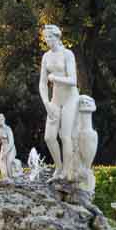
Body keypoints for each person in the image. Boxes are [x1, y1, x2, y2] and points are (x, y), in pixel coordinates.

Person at [39, 24, 80, 180]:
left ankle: (66, 172)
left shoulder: (67, 54)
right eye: (45, 38)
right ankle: (59, 167)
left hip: (70, 98)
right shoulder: (46, 57)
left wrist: (55, 78)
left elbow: (73, 80)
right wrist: (46, 103)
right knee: (49, 137)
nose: (47, 40)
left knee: (65, 136)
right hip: (55, 99)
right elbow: (42, 83)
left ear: (57, 37)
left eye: (49, 37)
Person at [0, 114, 19, 180]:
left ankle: (13, 179)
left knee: (9, 164)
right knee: (2, 165)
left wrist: (6, 152)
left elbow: (11, 142)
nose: (0, 121)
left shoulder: (8, 129)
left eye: (1, 119)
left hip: (10, 148)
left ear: (4, 119)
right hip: (3, 148)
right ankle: (6, 180)